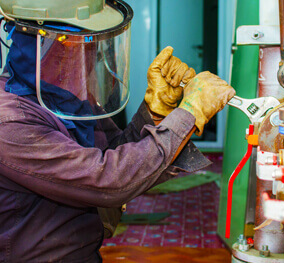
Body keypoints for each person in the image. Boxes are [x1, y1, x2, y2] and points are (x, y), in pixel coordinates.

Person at [0, 1, 235, 262]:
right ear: (42, 45)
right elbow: (107, 179)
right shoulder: (9, 122)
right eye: (82, 46)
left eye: (95, 47)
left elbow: (114, 151)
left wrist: (154, 112)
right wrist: (190, 113)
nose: (92, 58)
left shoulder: (59, 96)